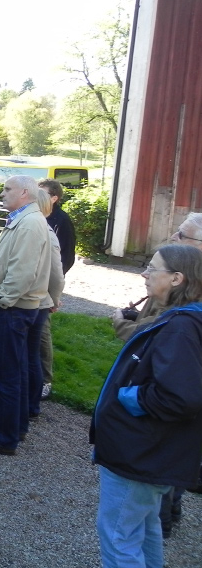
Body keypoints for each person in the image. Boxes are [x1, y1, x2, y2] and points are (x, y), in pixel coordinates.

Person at [91, 244, 202, 568]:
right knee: (145, 526)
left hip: (142, 454)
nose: (145, 274)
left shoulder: (182, 328)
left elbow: (180, 398)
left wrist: (129, 396)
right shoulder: (182, 320)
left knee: (117, 535)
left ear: (177, 278)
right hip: (152, 453)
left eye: (153, 268)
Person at [0, 175, 51, 455]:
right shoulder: (26, 219)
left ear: (25, 192)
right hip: (20, 307)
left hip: (14, 309)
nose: (2, 193)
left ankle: (4, 437)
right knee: (15, 370)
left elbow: (22, 270)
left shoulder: (29, 223)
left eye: (7, 189)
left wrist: (4, 299)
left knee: (7, 373)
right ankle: (13, 426)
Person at [111, 213, 202, 342]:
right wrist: (138, 316)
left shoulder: (193, 283)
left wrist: (120, 323)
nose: (173, 237)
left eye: (181, 234)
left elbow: (162, 332)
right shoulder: (181, 271)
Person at [37, 179, 76, 400]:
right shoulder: (30, 215)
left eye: (41, 193)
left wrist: (53, 290)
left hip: (46, 286)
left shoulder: (61, 221)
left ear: (54, 198)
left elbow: (66, 258)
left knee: (42, 331)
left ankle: (45, 380)